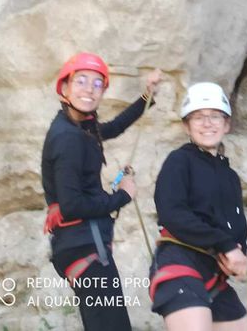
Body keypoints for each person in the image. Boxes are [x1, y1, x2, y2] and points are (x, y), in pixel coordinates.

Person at [41, 52, 162, 331]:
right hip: (83, 247)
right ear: (66, 88)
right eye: (81, 81)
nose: (89, 89)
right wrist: (122, 196)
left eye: (97, 84)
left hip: (83, 244)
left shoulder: (79, 126)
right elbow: (72, 205)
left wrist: (147, 96)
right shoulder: (67, 139)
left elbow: (113, 128)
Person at [149, 82, 247, 331]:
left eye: (215, 116)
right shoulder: (179, 162)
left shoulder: (230, 176)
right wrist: (225, 245)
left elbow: (236, 226)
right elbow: (173, 214)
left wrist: (238, 257)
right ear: (187, 125)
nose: (207, 123)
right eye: (198, 117)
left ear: (226, 124)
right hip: (180, 261)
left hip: (213, 271)